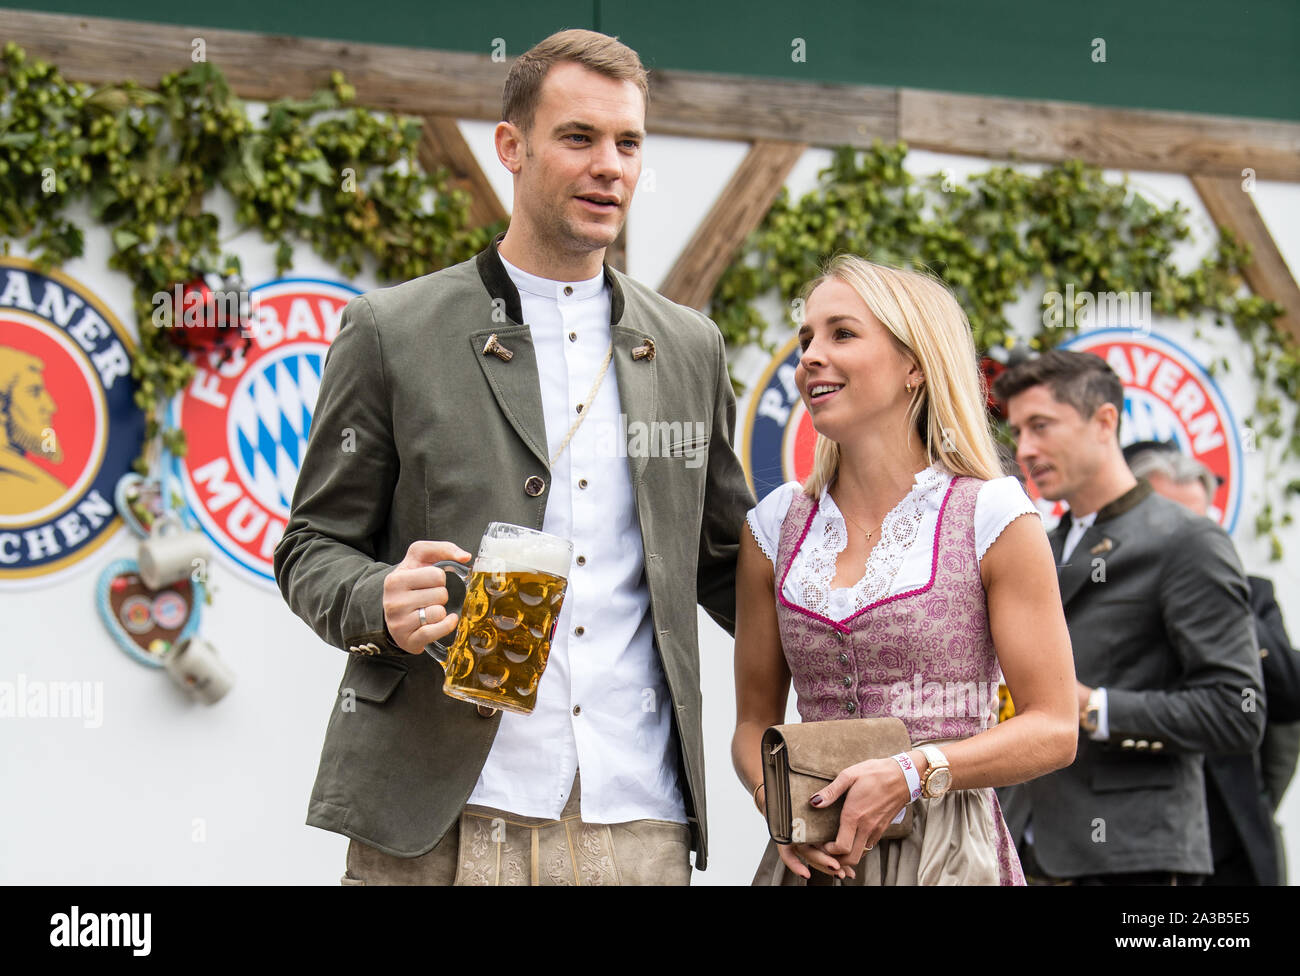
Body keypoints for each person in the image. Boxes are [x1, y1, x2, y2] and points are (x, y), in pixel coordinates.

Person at [273, 29, 754, 886]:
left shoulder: (690, 347)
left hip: (636, 813)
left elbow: (725, 567)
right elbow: (312, 546)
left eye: (628, 142)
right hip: (437, 816)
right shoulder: (392, 331)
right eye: (578, 137)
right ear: (511, 147)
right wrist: (375, 597)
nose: (610, 165)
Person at [733, 256, 1078, 886]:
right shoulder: (776, 523)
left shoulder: (991, 512)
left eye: (842, 333)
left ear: (914, 364)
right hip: (819, 855)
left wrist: (914, 771)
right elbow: (753, 723)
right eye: (806, 336)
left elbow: (1054, 727)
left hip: (947, 852)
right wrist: (776, 806)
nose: (810, 354)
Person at [993, 350, 1265, 885]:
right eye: (1019, 430)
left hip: (1133, 861)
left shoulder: (1188, 541)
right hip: (1020, 849)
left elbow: (1238, 711)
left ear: (1105, 421)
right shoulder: (1035, 546)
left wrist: (1092, 707)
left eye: (1041, 426)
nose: (1024, 449)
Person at [1127, 444, 1300, 885]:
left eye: (1199, 525)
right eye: (1171, 523)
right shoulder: (1107, 595)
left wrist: (1219, 600)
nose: (1186, 539)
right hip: (1134, 838)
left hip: (1230, 841)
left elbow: (1289, 694)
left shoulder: (1249, 594)